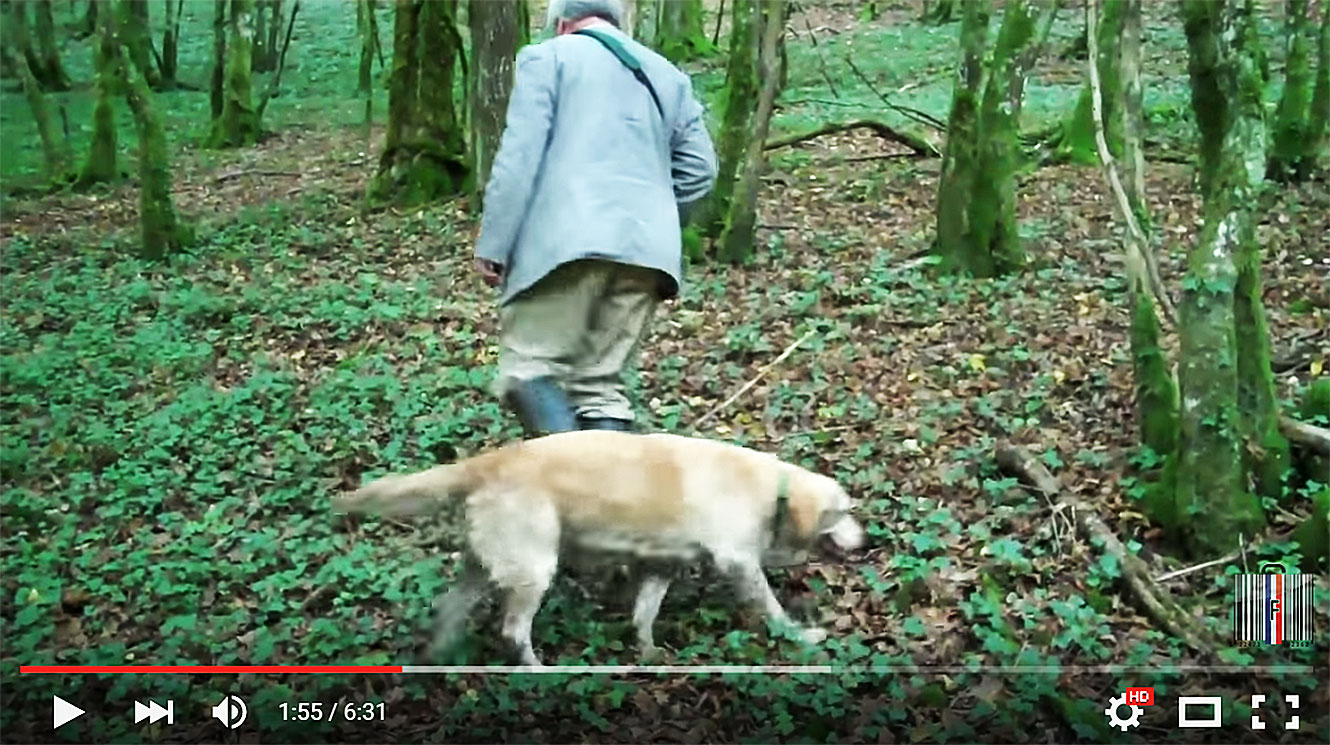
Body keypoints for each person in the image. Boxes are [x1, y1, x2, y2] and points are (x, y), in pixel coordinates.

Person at [473, 0, 718, 437]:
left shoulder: (547, 58)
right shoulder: (667, 74)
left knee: (527, 370)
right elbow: (701, 170)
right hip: (648, 254)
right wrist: (652, 215)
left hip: (564, 247)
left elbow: (518, 158)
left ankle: (575, 492)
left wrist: (494, 244)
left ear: (562, 23)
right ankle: (606, 500)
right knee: (599, 387)